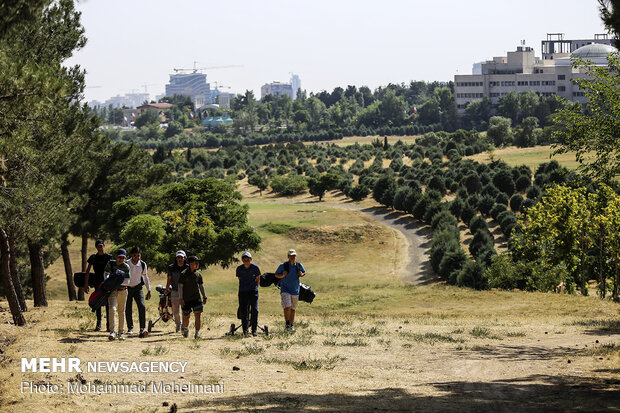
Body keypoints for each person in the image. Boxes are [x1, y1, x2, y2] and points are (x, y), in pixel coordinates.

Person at [274, 249, 306, 332]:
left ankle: (291, 326)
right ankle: (287, 324)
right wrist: (282, 276)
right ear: (288, 256)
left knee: (293, 309)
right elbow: (276, 275)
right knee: (287, 306)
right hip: (285, 289)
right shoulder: (283, 266)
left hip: (295, 290)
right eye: (291, 256)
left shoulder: (298, 265)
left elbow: (304, 272)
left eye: (294, 256)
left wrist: (301, 274)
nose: (292, 257)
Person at [84, 239, 112, 332]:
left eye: (101, 246)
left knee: (108, 303)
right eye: (98, 246)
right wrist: (86, 284)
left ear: (104, 246)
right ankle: (98, 324)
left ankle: (109, 325)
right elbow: (87, 272)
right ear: (96, 247)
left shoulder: (109, 257)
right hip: (97, 283)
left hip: (107, 283)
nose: (100, 248)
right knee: (98, 303)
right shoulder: (93, 257)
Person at [104, 248, 131, 341]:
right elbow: (106, 273)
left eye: (123, 258)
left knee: (121, 311)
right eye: (119, 257)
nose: (121, 259)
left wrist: (115, 281)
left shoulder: (126, 267)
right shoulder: (110, 264)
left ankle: (121, 332)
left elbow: (127, 281)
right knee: (112, 309)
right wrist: (108, 281)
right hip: (113, 291)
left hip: (123, 291)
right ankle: (112, 331)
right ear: (116, 256)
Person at [178, 256, 207, 339]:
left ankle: (197, 333)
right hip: (186, 299)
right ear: (191, 264)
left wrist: (204, 296)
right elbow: (180, 286)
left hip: (196, 298)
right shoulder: (183, 274)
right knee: (186, 317)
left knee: (198, 314)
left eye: (197, 262)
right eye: (196, 262)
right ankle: (186, 329)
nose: (197, 264)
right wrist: (180, 298)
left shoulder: (198, 274)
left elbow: (201, 286)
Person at [125, 247, 151, 338]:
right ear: (131, 255)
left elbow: (145, 277)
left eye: (138, 255)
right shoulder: (126, 263)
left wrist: (149, 290)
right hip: (127, 288)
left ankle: (142, 328)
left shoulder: (143, 264)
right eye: (135, 255)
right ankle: (130, 328)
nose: (137, 257)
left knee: (142, 306)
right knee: (128, 307)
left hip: (138, 288)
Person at [235, 251, 261, 336]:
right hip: (243, 291)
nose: (246, 261)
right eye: (244, 259)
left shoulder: (255, 268)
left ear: (251, 259)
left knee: (254, 310)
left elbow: (258, 279)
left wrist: (255, 288)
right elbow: (239, 278)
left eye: (248, 259)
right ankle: (245, 331)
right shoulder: (239, 269)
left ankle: (254, 330)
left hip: (253, 291)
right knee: (244, 311)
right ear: (242, 260)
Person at [164, 250, 188, 333]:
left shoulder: (187, 267)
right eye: (178, 257)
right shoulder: (171, 267)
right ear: (176, 258)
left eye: (181, 257)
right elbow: (169, 279)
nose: (180, 259)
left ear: (185, 258)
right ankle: (178, 324)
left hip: (185, 291)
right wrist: (167, 289)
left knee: (185, 310)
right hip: (175, 290)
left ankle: (183, 327)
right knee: (175, 311)